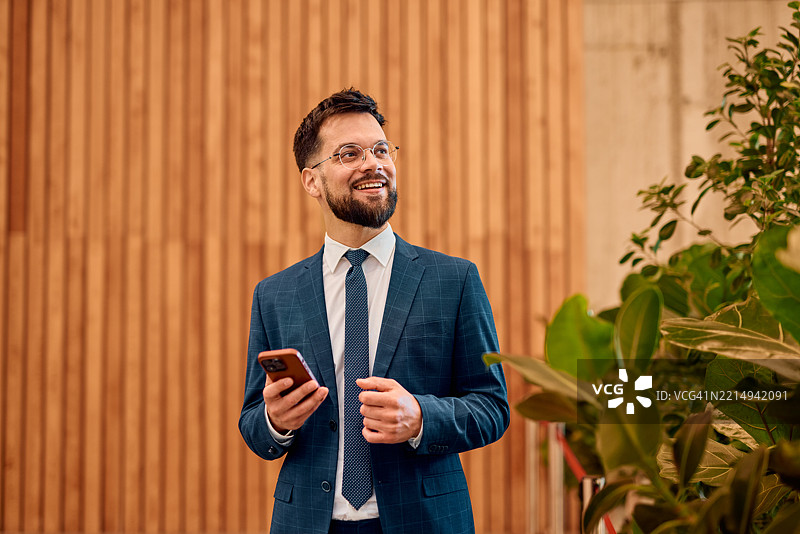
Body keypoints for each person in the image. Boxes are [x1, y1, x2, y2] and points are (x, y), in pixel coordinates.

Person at [238, 88, 509, 534]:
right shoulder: (274, 294)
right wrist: (274, 422)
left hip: (423, 522)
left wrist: (421, 416)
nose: (373, 163)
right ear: (311, 181)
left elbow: (492, 407)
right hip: (307, 522)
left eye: (381, 149)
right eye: (349, 153)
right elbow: (253, 424)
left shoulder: (454, 280)